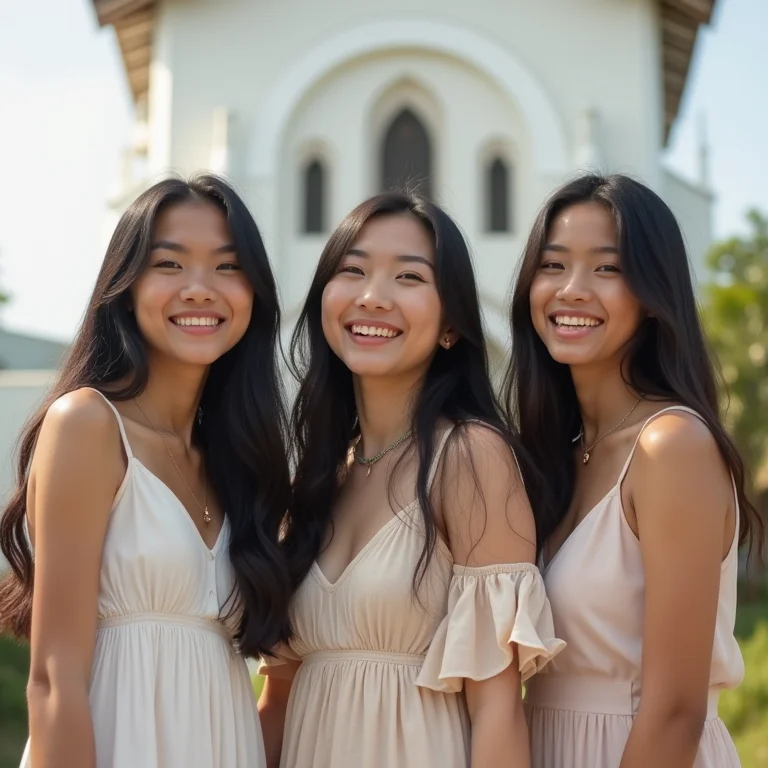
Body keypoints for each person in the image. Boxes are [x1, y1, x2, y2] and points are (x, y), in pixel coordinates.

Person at [257, 191, 564, 768]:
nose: (373, 296)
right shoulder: (315, 480)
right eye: (353, 271)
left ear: (450, 325)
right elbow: (277, 704)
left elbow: (498, 710)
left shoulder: (470, 457)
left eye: (409, 277)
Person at [0, 175, 292, 768]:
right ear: (126, 287)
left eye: (227, 267)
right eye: (169, 264)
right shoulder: (88, 425)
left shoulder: (243, 465)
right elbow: (54, 678)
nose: (200, 288)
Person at [505, 173, 763, 767]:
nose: (572, 289)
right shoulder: (554, 456)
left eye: (607, 268)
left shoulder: (671, 446)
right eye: (553, 265)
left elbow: (675, 711)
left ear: (652, 294)